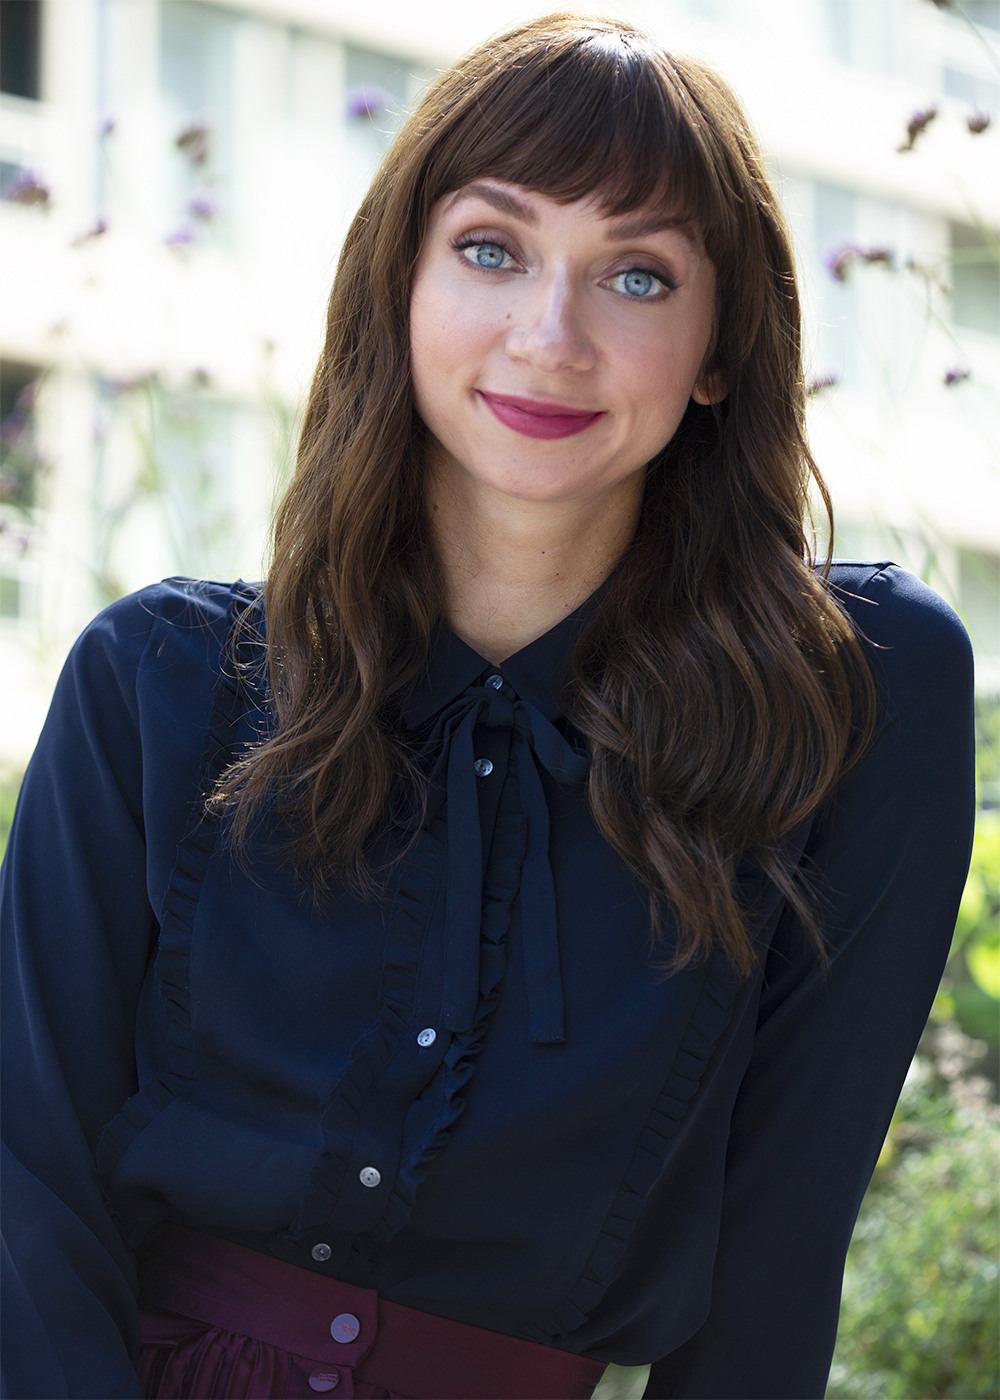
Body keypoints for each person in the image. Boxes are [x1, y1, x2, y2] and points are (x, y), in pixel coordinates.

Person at [0, 13, 975, 1400]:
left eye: (637, 276)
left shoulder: (858, 695)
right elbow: (21, 1183)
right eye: (492, 249)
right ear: (397, 283)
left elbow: (780, 1249)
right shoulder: (158, 684)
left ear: (718, 349)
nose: (550, 333)